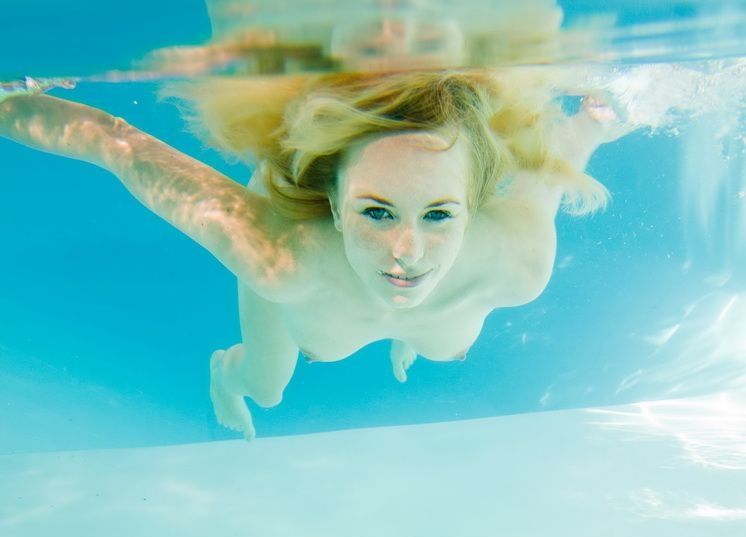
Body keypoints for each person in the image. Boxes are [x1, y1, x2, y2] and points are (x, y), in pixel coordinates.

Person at [0, 69, 628, 440]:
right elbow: (119, 145)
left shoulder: (517, 262)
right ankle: (227, 372)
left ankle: (408, 330)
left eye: (439, 215)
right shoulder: (281, 257)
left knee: (431, 329)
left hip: (427, 308)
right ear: (333, 205)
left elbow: (564, 156)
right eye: (375, 212)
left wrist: (596, 117)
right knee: (267, 389)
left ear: (474, 205)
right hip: (312, 293)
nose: (406, 251)